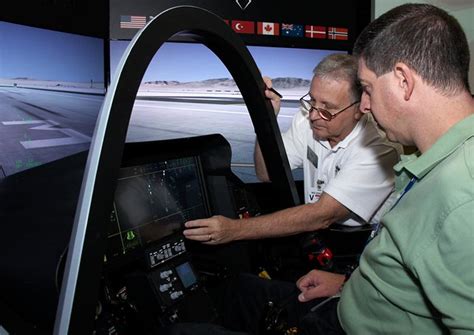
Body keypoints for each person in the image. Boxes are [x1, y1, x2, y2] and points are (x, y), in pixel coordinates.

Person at [163, 4, 473, 334]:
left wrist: (230, 230)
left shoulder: (460, 195)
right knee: (241, 290)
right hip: (347, 298)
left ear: (403, 81)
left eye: (367, 88)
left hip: (344, 318)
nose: (366, 105)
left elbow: (323, 214)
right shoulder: (440, 162)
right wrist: (347, 284)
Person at [183, 53, 399, 247]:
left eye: (328, 109)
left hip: (360, 247)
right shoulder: (307, 122)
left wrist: (232, 230)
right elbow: (265, 172)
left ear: (359, 109)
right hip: (317, 236)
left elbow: (322, 215)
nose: (314, 115)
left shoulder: (379, 150)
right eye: (313, 101)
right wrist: (267, 119)